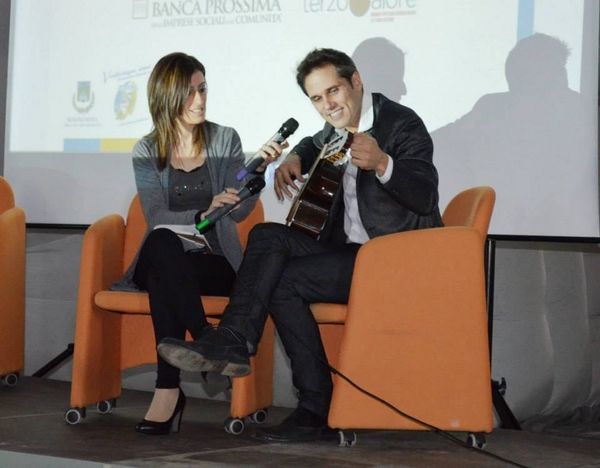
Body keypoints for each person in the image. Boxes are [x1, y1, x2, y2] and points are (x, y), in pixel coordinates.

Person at [157, 48, 442, 442]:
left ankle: (311, 405)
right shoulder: (335, 128)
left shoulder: (402, 124)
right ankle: (237, 340)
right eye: (317, 98)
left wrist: (383, 163)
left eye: (334, 91)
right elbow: (313, 141)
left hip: (393, 261)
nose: (328, 105)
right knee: (266, 237)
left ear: (356, 82)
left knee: (281, 279)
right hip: (350, 255)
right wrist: (295, 156)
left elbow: (426, 196)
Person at [113, 52, 283, 435]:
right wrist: (202, 213)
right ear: (167, 96)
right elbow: (155, 214)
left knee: (165, 278)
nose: (200, 99)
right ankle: (208, 338)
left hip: (211, 260)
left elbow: (239, 210)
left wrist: (254, 175)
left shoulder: (225, 139)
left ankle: (168, 392)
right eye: (190, 92)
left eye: (203, 89)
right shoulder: (147, 149)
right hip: (163, 253)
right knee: (162, 243)